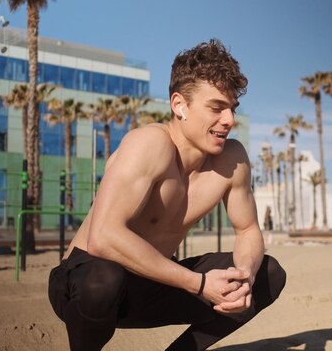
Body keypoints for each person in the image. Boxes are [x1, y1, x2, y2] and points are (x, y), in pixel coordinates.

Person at [48, 39, 286, 351]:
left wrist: (245, 274)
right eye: (216, 107)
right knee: (102, 279)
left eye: (231, 109)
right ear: (179, 105)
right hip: (86, 283)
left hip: (154, 280)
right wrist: (199, 284)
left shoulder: (233, 159)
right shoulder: (149, 144)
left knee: (269, 275)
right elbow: (102, 238)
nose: (228, 120)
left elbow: (248, 230)